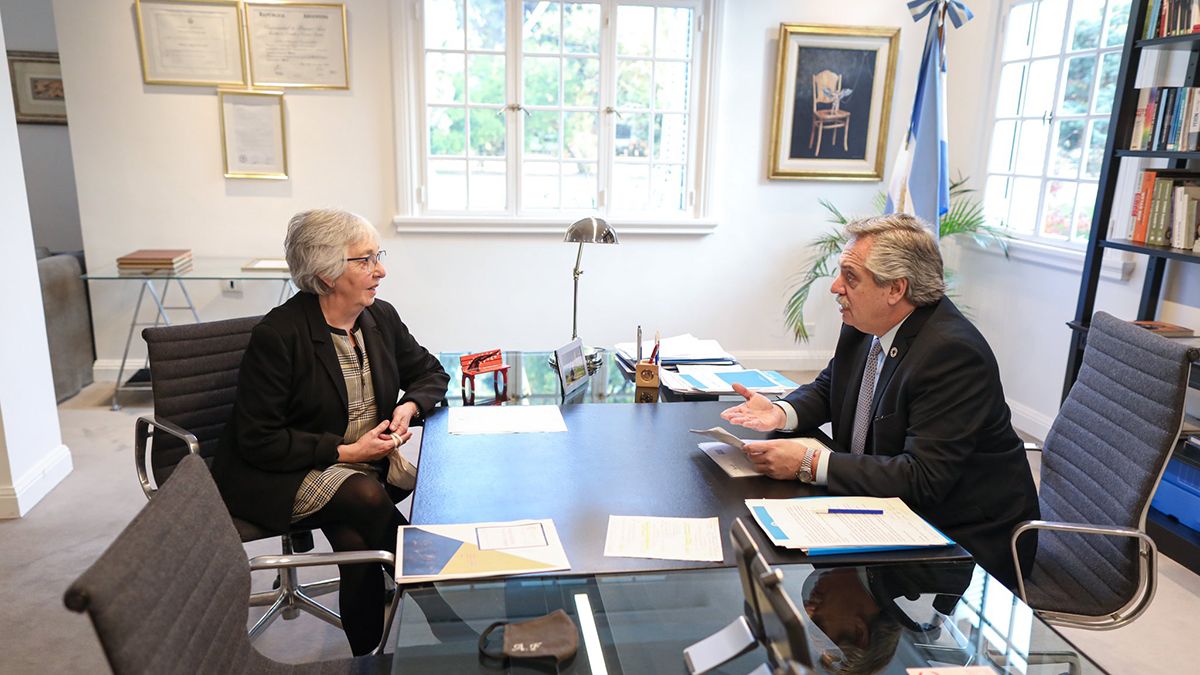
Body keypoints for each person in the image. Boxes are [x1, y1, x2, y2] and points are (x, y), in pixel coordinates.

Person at [721, 213, 1039, 588]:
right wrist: (780, 412)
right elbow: (830, 386)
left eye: (851, 277)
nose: (836, 287)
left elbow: (923, 478)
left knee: (796, 577)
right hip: (892, 507)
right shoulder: (865, 325)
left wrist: (809, 462)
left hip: (961, 537)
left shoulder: (951, 354)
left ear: (895, 289)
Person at [213, 208, 449, 654]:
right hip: (281, 473)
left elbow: (431, 372)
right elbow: (259, 440)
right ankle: (436, 601)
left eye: (377, 255)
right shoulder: (279, 335)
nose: (380, 270)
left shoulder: (378, 317)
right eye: (364, 260)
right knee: (362, 497)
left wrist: (409, 405)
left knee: (358, 547)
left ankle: (369, 659)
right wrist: (348, 453)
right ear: (325, 275)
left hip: (358, 470)